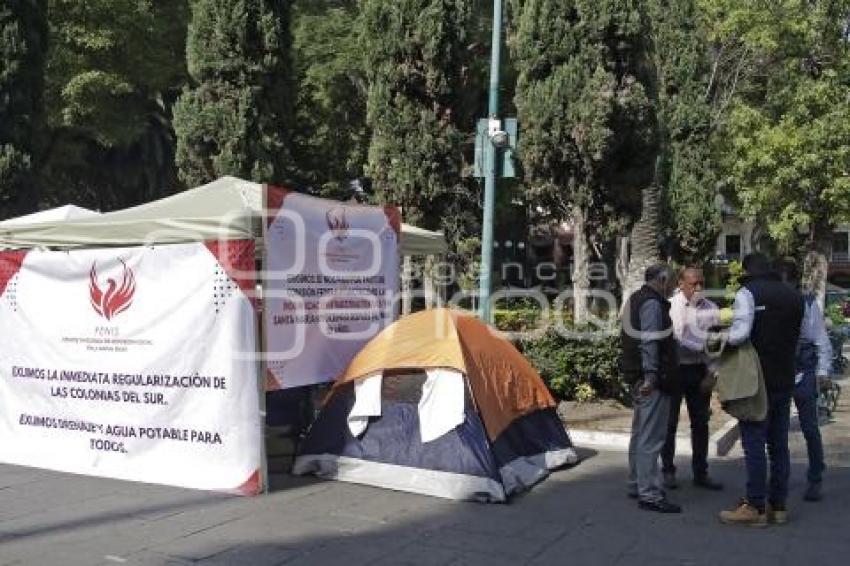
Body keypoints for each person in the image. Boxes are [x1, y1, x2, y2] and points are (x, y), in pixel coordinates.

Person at [718, 253, 804, 527]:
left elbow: (741, 334)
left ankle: (754, 506)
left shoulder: (748, 292)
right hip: (785, 376)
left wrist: (720, 338)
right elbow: (800, 337)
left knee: (754, 440)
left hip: (757, 379)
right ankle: (778, 506)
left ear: (747, 272)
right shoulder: (794, 296)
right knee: (778, 444)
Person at [621, 264, 682, 513]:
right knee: (650, 437)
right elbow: (649, 341)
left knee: (640, 433)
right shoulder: (652, 303)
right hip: (652, 380)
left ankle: (637, 482)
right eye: (674, 281)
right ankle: (649, 494)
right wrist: (651, 376)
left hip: (638, 376)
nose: (675, 287)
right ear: (663, 278)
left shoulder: (635, 298)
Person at [661, 267, 724, 491]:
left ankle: (701, 472)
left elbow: (716, 345)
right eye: (693, 284)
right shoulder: (671, 306)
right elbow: (675, 339)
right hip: (675, 371)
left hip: (699, 371)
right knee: (669, 424)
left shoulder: (712, 309)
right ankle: (668, 470)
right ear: (681, 284)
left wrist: (711, 373)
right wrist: (698, 346)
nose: (698, 288)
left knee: (701, 423)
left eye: (701, 283)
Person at [776, 259, 832, 502]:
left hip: (804, 375)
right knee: (777, 431)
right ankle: (779, 480)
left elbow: (821, 341)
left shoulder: (808, 304)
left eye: (785, 284)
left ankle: (815, 477)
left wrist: (822, 372)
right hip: (779, 374)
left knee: (809, 428)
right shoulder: (772, 304)